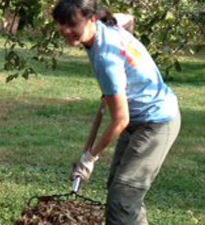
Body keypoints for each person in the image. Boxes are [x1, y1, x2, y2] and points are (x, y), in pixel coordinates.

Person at [53, 0, 182, 224]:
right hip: (140, 118)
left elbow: (120, 120)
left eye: (72, 24)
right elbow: (128, 18)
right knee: (119, 187)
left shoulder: (106, 59)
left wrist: (90, 157)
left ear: (90, 18)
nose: (65, 30)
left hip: (156, 121)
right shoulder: (108, 24)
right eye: (61, 23)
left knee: (123, 196)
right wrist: (120, 85)